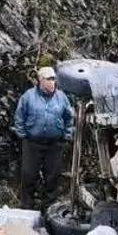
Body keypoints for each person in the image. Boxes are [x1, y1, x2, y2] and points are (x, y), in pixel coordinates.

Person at [12, 66, 74, 210]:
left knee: (53, 176)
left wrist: (67, 135)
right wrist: (23, 135)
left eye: (54, 79)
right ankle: (27, 206)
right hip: (32, 143)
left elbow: (69, 118)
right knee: (28, 174)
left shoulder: (62, 97)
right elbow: (19, 116)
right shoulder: (28, 96)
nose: (52, 82)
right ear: (40, 80)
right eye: (49, 79)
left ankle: (48, 208)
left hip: (55, 144)